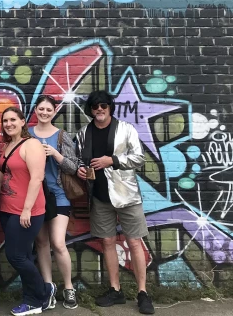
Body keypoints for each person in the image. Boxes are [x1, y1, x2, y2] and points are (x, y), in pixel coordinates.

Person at [75, 90, 154, 314]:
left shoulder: (126, 129)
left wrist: (113, 160)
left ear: (110, 107)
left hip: (126, 195)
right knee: (108, 242)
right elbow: (79, 159)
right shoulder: (84, 133)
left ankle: (142, 292)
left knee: (135, 242)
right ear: (90, 110)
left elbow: (139, 158)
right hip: (99, 196)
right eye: (95, 106)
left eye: (104, 105)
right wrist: (80, 169)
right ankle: (115, 290)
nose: (99, 109)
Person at [0, 107, 52, 316]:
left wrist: (27, 209)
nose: (8, 124)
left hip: (26, 211)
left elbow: (37, 178)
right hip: (7, 209)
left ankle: (44, 291)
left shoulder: (32, 144)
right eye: (5, 121)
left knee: (15, 256)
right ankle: (32, 300)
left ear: (22, 122)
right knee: (25, 255)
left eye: (13, 119)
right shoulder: (8, 145)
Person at [28, 96, 80, 310]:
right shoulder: (27, 134)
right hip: (35, 196)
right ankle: (48, 287)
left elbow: (74, 167)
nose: (44, 113)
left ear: (54, 111)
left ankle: (69, 287)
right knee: (41, 243)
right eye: (41, 109)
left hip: (58, 195)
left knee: (58, 243)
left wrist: (55, 154)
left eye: (48, 109)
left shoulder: (61, 136)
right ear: (35, 110)